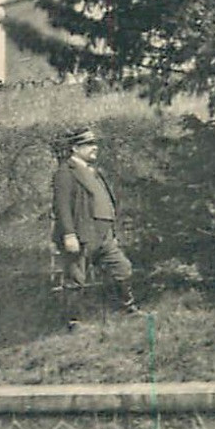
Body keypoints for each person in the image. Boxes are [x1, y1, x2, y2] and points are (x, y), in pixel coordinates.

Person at [51, 126, 141, 327]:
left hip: (104, 235)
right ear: (75, 148)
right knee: (75, 279)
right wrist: (69, 234)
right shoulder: (65, 172)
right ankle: (73, 321)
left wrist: (111, 232)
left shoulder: (94, 172)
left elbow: (105, 202)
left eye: (94, 143)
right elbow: (62, 207)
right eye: (88, 144)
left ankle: (128, 308)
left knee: (123, 268)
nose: (95, 148)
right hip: (81, 235)